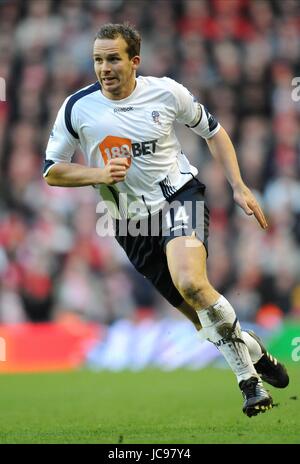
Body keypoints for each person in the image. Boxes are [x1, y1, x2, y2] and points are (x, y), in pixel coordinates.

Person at [43, 23, 289, 417]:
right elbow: (52, 170)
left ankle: (250, 384)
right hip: (129, 223)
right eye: (98, 59)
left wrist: (239, 186)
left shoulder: (167, 92)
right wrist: (97, 175)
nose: (104, 67)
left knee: (192, 282)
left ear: (134, 61)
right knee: (202, 320)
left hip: (178, 197)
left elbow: (215, 131)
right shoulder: (77, 108)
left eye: (113, 58)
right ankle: (252, 347)